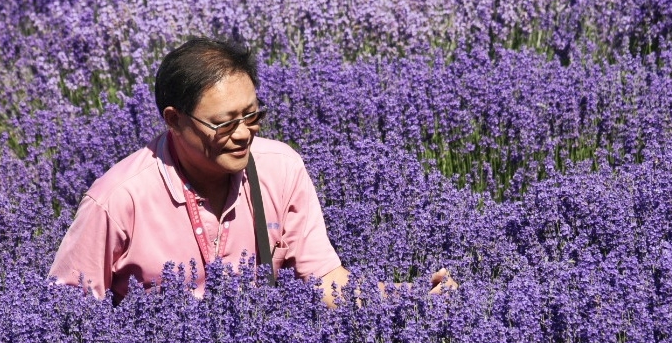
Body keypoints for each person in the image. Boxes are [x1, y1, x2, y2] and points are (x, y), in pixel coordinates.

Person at [49, 37, 455, 306]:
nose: (244, 133)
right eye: (225, 123)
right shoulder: (117, 200)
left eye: (252, 115)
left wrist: (412, 297)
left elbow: (325, 281)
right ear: (174, 120)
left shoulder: (280, 169)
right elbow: (67, 312)